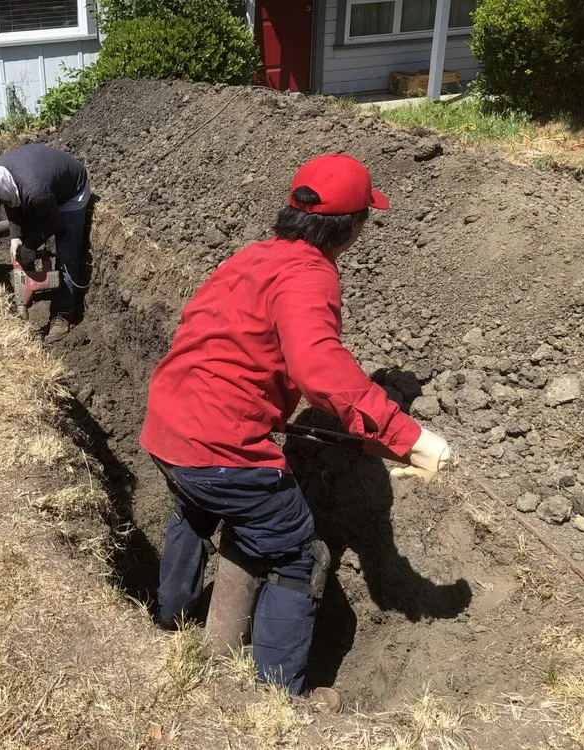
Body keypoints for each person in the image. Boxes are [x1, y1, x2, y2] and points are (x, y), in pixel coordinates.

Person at [139, 153, 451, 697]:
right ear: (352, 226)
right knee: (295, 549)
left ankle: (172, 624)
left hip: (169, 424)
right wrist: (408, 436)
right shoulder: (310, 276)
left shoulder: (255, 257)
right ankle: (277, 693)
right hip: (220, 446)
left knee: (194, 508)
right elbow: (317, 367)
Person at [0, 144, 90, 343]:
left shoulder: (34, 190)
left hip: (72, 191)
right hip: (44, 187)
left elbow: (54, 223)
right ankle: (28, 283)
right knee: (24, 240)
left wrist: (30, 246)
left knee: (67, 252)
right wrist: (16, 236)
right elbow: (11, 202)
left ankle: (62, 314)